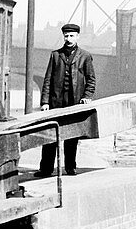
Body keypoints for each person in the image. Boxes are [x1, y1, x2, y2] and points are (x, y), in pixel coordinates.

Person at [38, 23, 96, 176]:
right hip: (56, 102)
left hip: (75, 102)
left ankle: (70, 167)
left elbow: (91, 80)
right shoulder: (55, 55)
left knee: (72, 137)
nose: (69, 39)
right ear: (63, 37)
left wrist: (87, 97)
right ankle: (46, 169)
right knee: (49, 136)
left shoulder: (85, 56)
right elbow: (48, 80)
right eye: (66, 36)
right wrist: (45, 102)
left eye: (72, 36)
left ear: (77, 37)